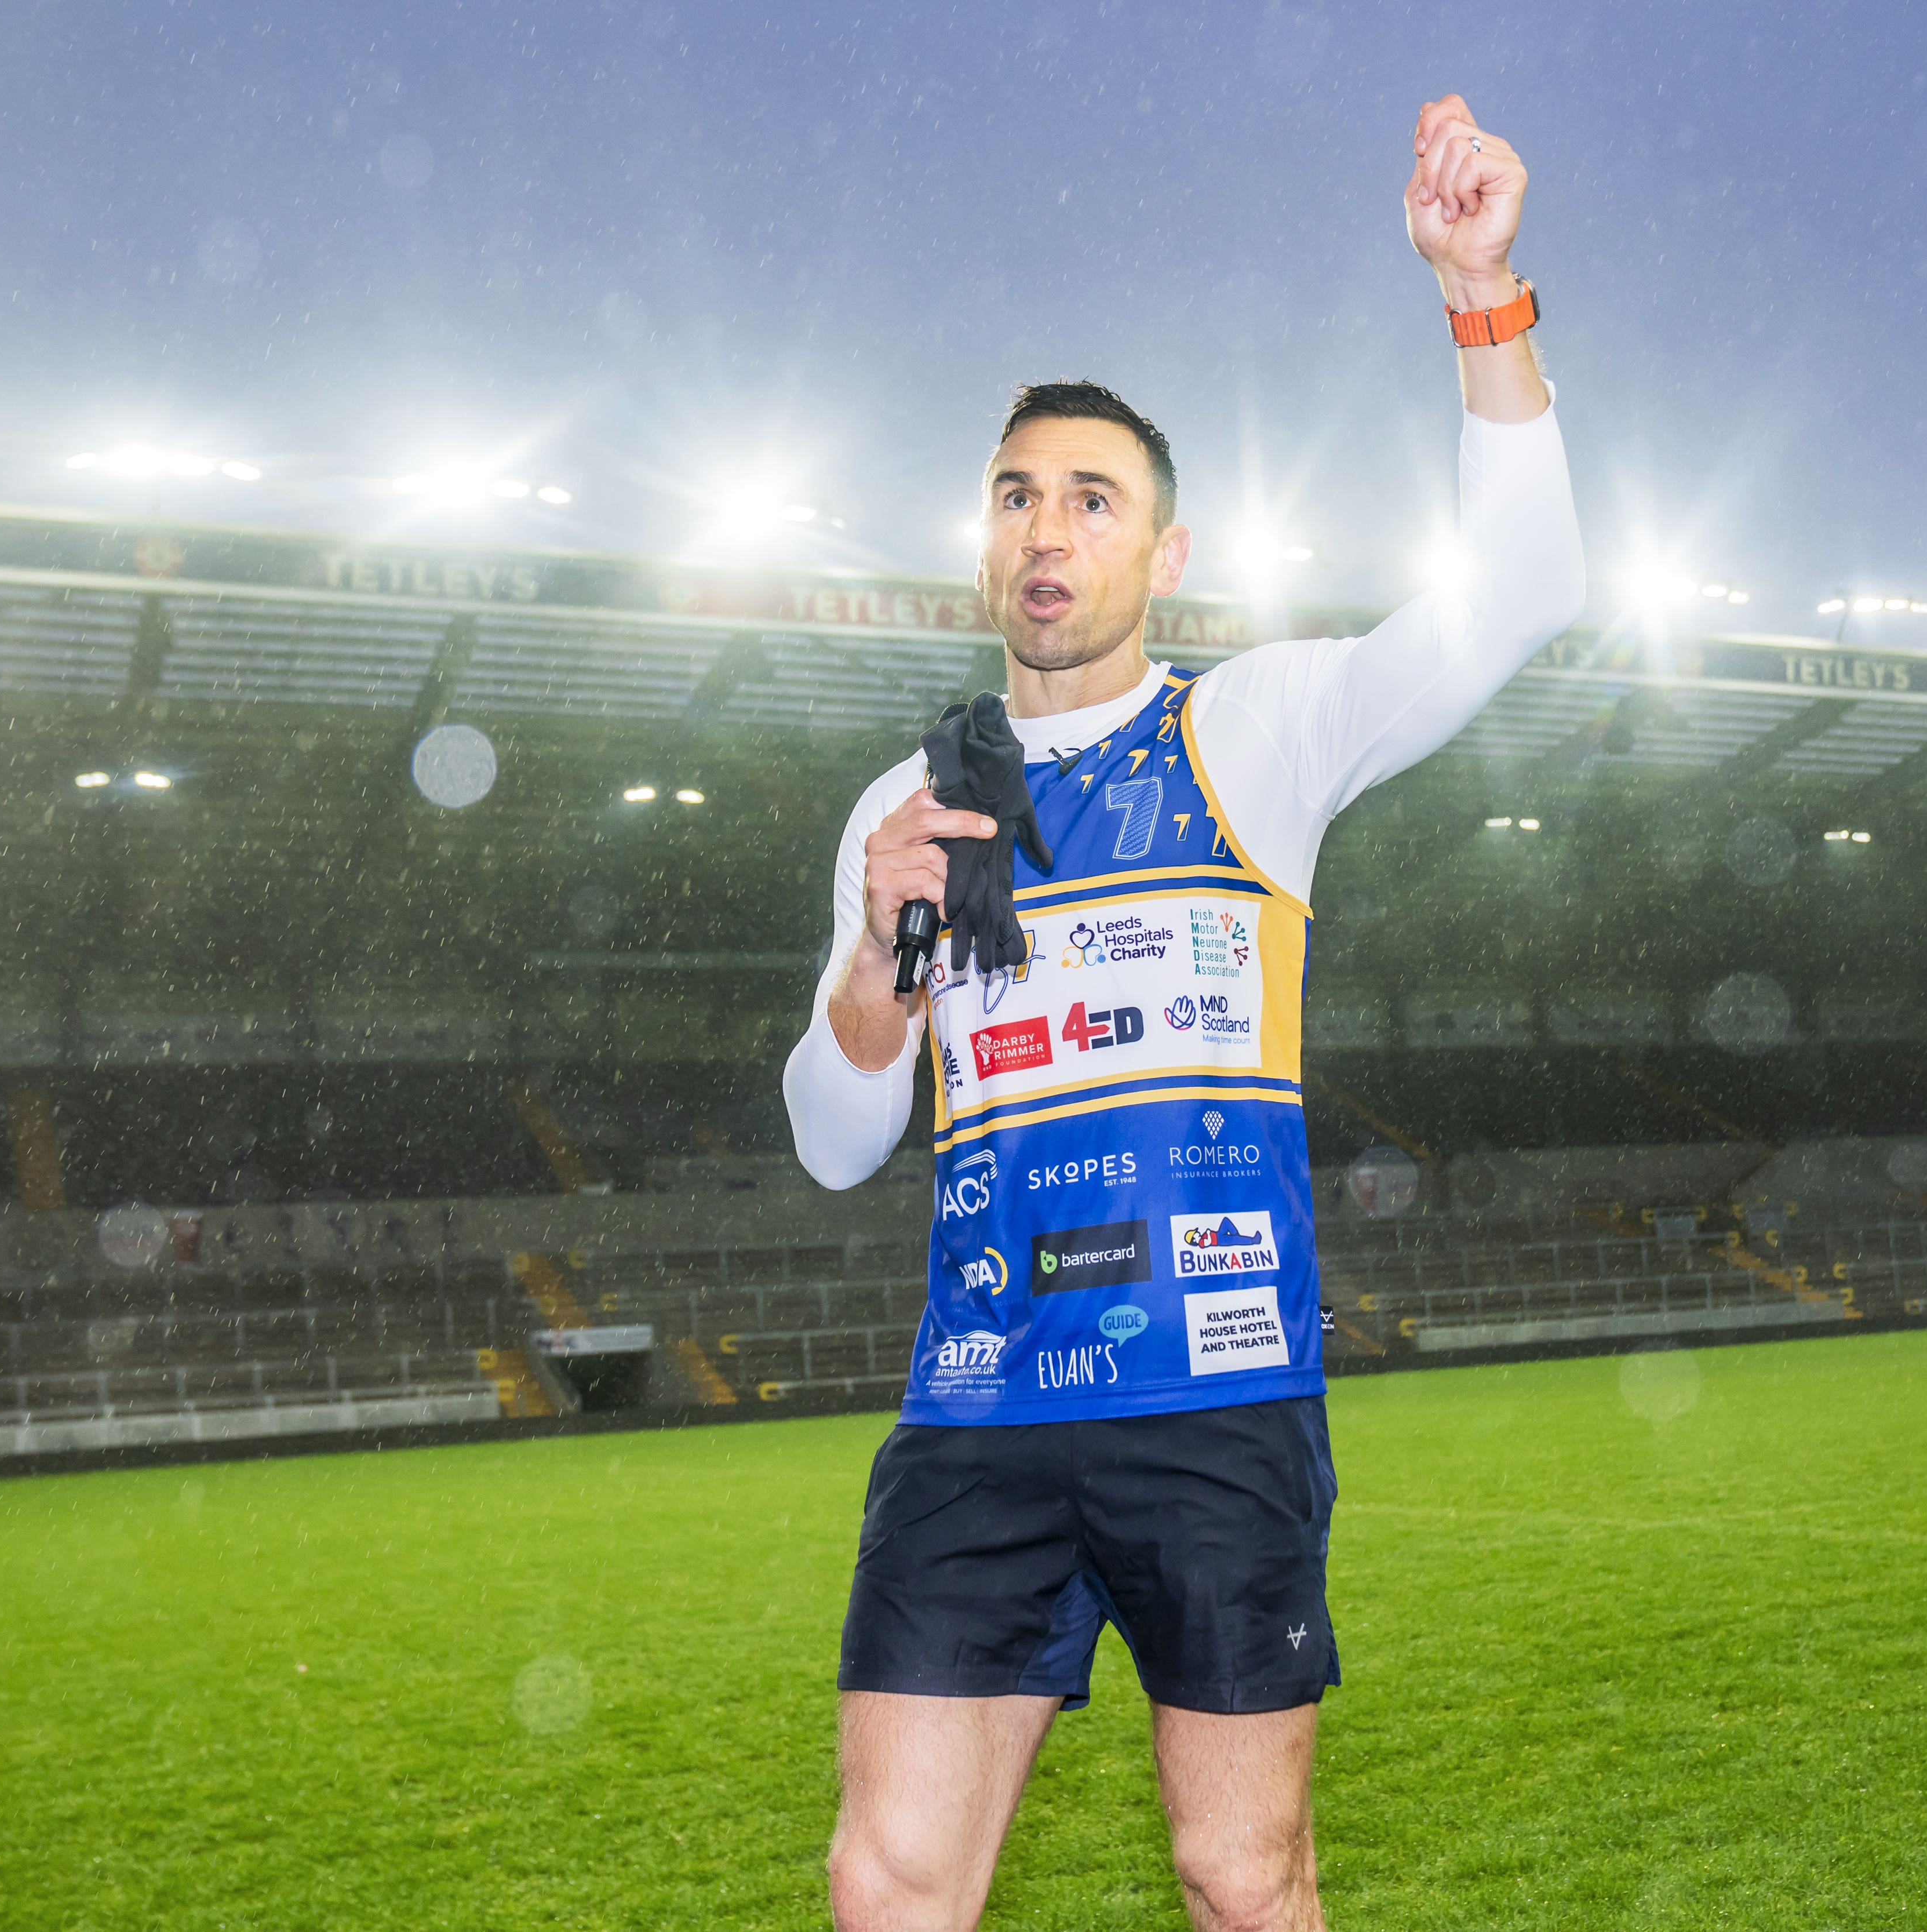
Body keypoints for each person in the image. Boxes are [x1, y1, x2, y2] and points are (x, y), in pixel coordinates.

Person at [782, 93, 1584, 1932]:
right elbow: (835, 1149)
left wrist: (1481, 296)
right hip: (977, 1404)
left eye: (1092, 498)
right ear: (983, 543)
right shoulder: (903, 810)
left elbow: (1528, 590)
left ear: (1166, 551)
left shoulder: (1257, 734)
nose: (1047, 530)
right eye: (1016, 496)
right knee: (888, 1880)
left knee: (1243, 1876)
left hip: (1213, 1395)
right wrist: (866, 969)